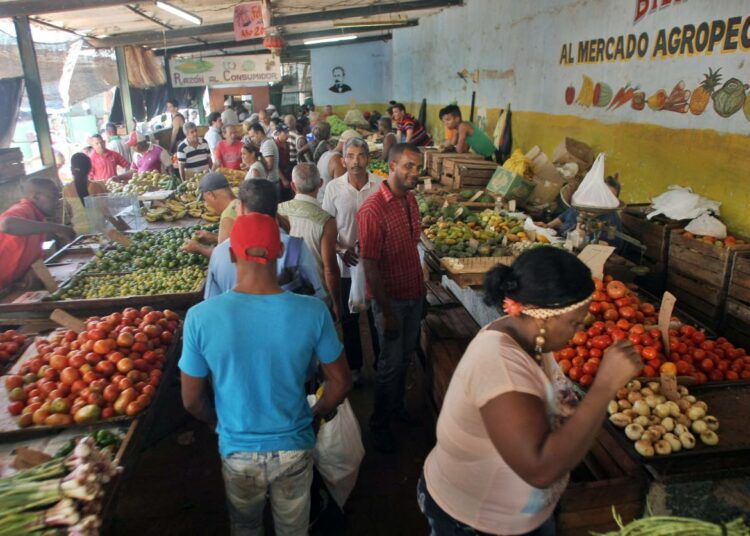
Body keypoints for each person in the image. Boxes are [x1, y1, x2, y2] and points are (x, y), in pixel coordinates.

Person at [418, 248, 642, 535]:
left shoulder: (529, 338)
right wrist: (604, 387)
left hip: (521, 517)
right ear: (544, 318)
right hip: (476, 522)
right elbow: (540, 470)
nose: (577, 332)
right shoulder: (498, 364)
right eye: (574, 323)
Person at [179, 212, 351, 536]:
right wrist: (316, 413)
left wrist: (217, 420)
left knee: (245, 526)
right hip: (294, 444)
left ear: (231, 254)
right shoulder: (312, 311)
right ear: (280, 252)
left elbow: (191, 400)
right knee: (293, 528)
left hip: (237, 449)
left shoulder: (199, 317)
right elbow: (341, 382)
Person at [357, 143, 426, 452]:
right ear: (393, 166)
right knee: (388, 364)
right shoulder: (372, 210)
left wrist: (421, 293)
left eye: (418, 167)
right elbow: (369, 263)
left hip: (413, 294)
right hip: (391, 301)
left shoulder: (410, 201)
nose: (415, 172)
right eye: (409, 166)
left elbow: (412, 249)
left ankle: (397, 408)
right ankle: (379, 422)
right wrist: (386, 312)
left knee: (406, 357)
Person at [204, 179, 327, 302]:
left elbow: (211, 301)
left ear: (241, 208)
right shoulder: (294, 247)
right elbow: (318, 294)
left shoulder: (219, 253)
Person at [322, 137, 382, 385]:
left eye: (361, 156)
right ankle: (355, 367)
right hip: (345, 264)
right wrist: (339, 248)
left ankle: (380, 366)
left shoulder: (380, 186)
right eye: (351, 156)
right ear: (343, 160)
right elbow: (326, 229)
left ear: (368, 159)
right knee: (349, 319)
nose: (356, 162)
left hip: (374, 266)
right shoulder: (333, 188)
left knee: (376, 317)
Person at [278, 164, 341, 322]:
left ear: (293, 185)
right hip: (317, 295)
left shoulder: (278, 210)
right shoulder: (326, 221)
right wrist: (336, 303)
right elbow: (330, 270)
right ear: (320, 183)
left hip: (285, 291)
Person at [0, 178, 76, 289]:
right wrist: (59, 228)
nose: (57, 201)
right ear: (36, 197)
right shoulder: (23, 209)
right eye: (53, 196)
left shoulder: (39, 220)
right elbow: (6, 225)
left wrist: (31, 269)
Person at [538, 175, 623, 248]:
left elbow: (610, 245)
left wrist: (584, 243)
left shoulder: (612, 219)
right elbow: (562, 218)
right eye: (603, 195)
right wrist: (547, 225)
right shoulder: (582, 204)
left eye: (610, 199)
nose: (605, 201)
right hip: (558, 240)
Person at [183, 172, 238, 257]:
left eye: (206, 200)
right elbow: (235, 240)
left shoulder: (228, 216)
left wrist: (198, 247)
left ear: (210, 195)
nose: (207, 204)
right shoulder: (239, 203)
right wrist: (213, 237)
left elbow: (224, 257)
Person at [63, 152, 107, 235]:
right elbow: (105, 212)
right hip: (99, 231)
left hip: (79, 234)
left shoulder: (66, 189)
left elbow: (69, 213)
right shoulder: (96, 187)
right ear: (90, 169)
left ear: (72, 169)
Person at [317, 129, 358, 202]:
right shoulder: (338, 161)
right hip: (327, 204)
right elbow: (342, 192)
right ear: (347, 145)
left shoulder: (326, 154)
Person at [248, 123, 280, 192]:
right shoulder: (265, 143)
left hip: (271, 183)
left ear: (259, 133)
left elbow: (269, 166)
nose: (252, 139)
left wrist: (254, 164)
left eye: (252, 136)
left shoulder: (267, 144)